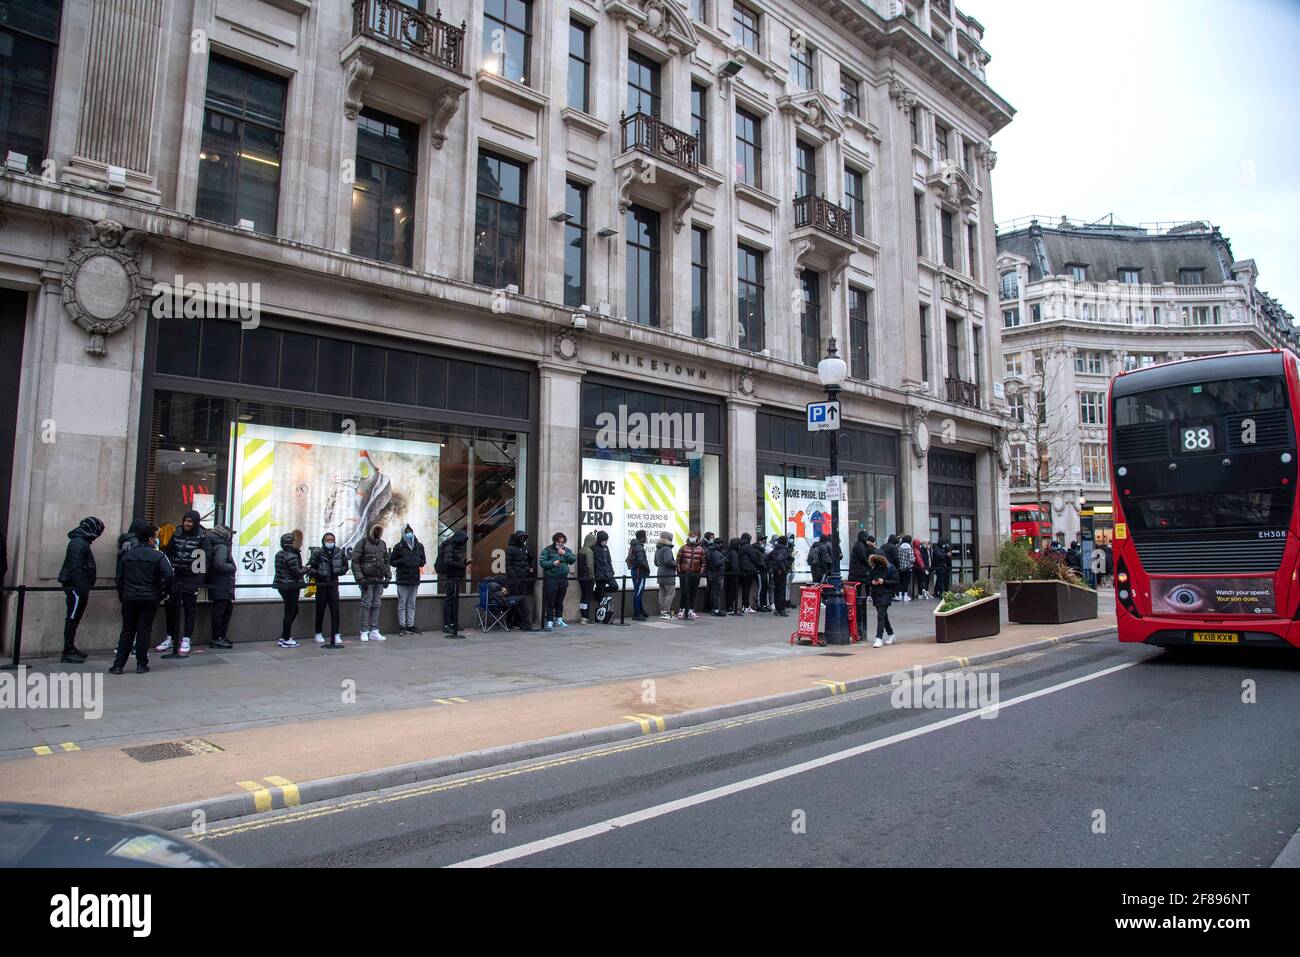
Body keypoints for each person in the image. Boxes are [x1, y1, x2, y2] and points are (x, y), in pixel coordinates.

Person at [112, 521, 174, 674]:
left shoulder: (128, 555)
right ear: (151, 539)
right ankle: (141, 664)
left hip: (130, 597)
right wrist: (163, 592)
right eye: (156, 537)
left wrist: (123, 594)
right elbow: (169, 575)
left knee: (127, 630)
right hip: (149, 597)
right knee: (144, 630)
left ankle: (118, 665)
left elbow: (119, 577)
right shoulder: (158, 556)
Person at [56, 516, 104, 664]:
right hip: (76, 588)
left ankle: (70, 648)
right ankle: (68, 650)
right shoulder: (78, 543)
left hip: (79, 586)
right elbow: (76, 567)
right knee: (72, 618)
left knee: (74, 618)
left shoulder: (81, 542)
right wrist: (80, 587)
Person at [160, 509, 205, 656]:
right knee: (170, 606)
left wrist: (198, 579)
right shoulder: (177, 533)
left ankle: (186, 638)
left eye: (190, 521)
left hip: (190, 577)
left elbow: (205, 558)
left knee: (189, 608)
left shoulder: (202, 537)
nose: (187, 523)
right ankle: (170, 637)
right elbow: (168, 551)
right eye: (185, 520)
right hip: (175, 576)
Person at [351, 522, 391, 641]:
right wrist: (360, 579)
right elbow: (355, 562)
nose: (377, 533)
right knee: (366, 604)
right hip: (367, 580)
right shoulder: (362, 543)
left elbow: (386, 562)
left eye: (379, 531)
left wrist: (388, 577)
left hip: (378, 579)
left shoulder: (382, 544)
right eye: (375, 530)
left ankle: (374, 630)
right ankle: (364, 630)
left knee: (376, 604)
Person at [308, 532, 346, 647]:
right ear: (323, 541)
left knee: (335, 610)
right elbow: (310, 567)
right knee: (320, 609)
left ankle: (336, 633)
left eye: (332, 540)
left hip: (334, 583)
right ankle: (318, 633)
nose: (330, 542)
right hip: (322, 584)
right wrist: (320, 573)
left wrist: (338, 571)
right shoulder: (318, 553)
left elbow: (345, 566)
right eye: (328, 540)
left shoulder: (339, 552)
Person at [389, 525, 426, 636]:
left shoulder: (419, 546)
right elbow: (392, 561)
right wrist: (402, 561)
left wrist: (418, 561)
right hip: (402, 579)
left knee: (412, 603)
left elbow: (423, 560)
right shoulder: (398, 547)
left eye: (410, 531)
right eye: (407, 531)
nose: (409, 533)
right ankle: (402, 626)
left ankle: (410, 625)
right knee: (402, 603)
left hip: (414, 578)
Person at [204, 525, 237, 649]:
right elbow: (220, 564)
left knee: (224, 609)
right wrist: (232, 567)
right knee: (221, 611)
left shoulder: (214, 544)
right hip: (222, 584)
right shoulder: (222, 546)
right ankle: (218, 637)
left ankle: (219, 637)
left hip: (217, 583)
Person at [272, 531, 307, 648]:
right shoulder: (291, 555)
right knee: (290, 611)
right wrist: (307, 569)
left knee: (292, 610)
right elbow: (296, 572)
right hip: (291, 586)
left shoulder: (280, 554)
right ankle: (286, 638)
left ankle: (284, 636)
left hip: (282, 585)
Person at [434, 530, 470, 638]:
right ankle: (447, 624)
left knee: (453, 600)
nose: (463, 543)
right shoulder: (450, 546)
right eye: (462, 540)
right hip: (450, 577)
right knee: (449, 600)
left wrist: (464, 563)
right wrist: (462, 565)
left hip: (455, 576)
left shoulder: (454, 547)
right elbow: (448, 562)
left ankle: (453, 623)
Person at [538, 532, 576, 631]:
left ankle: (559, 619)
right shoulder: (548, 550)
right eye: (559, 542)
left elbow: (572, 559)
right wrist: (553, 563)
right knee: (550, 600)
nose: (561, 544)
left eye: (563, 543)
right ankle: (549, 620)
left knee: (560, 600)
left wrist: (565, 554)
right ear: (555, 541)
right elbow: (542, 562)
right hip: (551, 578)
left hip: (563, 578)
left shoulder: (566, 550)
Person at [505, 530, 538, 632]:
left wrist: (531, 568)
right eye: (521, 538)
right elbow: (508, 565)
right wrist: (514, 577)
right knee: (515, 600)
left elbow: (531, 558)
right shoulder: (510, 549)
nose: (523, 540)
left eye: (524, 538)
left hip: (524, 578)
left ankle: (518, 622)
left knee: (521, 600)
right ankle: (511, 621)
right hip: (514, 580)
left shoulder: (525, 548)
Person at [867, 553, 899, 649]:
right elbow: (868, 580)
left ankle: (879, 637)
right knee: (883, 615)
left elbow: (896, 581)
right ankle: (891, 634)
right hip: (876, 593)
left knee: (881, 615)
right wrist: (872, 582)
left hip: (886, 593)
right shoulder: (874, 568)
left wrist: (884, 581)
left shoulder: (890, 568)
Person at [847, 529, 875, 632]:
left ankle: (859, 601)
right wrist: (869, 565)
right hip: (858, 572)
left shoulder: (859, 545)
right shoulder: (859, 546)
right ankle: (858, 602)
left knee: (859, 587)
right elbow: (863, 557)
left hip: (857, 572)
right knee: (861, 586)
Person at [676, 533, 706, 621]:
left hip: (695, 574)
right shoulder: (683, 548)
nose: (693, 538)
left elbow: (703, 563)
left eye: (694, 536)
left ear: (697, 538)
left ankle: (691, 609)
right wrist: (680, 573)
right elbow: (678, 560)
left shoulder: (701, 549)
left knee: (693, 593)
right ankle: (682, 609)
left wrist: (700, 574)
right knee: (684, 592)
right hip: (684, 574)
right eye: (691, 536)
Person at [626, 530, 650, 622]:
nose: (646, 538)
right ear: (642, 538)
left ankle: (641, 611)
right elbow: (641, 561)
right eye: (645, 536)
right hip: (640, 572)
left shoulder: (634, 546)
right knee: (638, 593)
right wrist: (647, 568)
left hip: (635, 571)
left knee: (638, 591)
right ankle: (636, 613)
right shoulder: (639, 547)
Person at [654, 531, 677, 620]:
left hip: (660, 573)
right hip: (668, 574)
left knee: (662, 593)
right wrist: (676, 564)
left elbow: (656, 562)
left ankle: (663, 612)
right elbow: (668, 561)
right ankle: (667, 612)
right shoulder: (667, 549)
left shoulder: (658, 549)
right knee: (671, 593)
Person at [577, 532, 598, 624]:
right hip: (588, 578)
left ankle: (583, 615)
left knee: (583, 596)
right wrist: (592, 576)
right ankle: (585, 616)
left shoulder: (581, 550)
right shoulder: (589, 551)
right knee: (587, 597)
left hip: (581, 577)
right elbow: (590, 566)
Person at [769, 536, 791, 617]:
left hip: (775, 572)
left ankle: (777, 609)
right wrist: (782, 569)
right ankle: (781, 609)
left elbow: (767, 558)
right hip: (781, 573)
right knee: (781, 591)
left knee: (777, 591)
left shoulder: (775, 549)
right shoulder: (783, 550)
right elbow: (779, 559)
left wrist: (772, 567)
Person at [705, 535, 727, 616]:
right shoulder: (716, 553)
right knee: (716, 593)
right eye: (721, 543)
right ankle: (716, 609)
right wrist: (723, 558)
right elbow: (718, 563)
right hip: (717, 575)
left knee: (715, 593)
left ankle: (715, 609)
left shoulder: (712, 551)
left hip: (715, 575)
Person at [737, 532, 757, 613]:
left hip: (741, 570)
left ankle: (743, 606)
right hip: (748, 570)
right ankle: (746, 606)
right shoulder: (748, 547)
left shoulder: (740, 546)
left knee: (744, 588)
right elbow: (754, 558)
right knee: (747, 589)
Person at [751, 533, 771, 612]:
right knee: (761, 586)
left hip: (764, 570)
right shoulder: (756, 549)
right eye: (763, 541)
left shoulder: (762, 550)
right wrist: (763, 565)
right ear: (759, 541)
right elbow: (757, 561)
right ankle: (759, 604)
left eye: (765, 541)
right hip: (759, 570)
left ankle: (764, 604)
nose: (764, 543)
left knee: (765, 587)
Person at [725, 538, 742, 615]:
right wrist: (737, 571)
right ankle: (730, 607)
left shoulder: (729, 551)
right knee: (732, 591)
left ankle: (729, 606)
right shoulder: (734, 553)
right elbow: (734, 565)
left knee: (729, 591)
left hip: (728, 574)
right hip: (732, 575)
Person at [896, 534, 915, 602]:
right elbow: (912, 559)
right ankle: (905, 596)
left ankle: (900, 595)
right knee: (906, 582)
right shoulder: (909, 548)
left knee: (900, 582)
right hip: (907, 568)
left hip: (900, 568)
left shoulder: (899, 547)